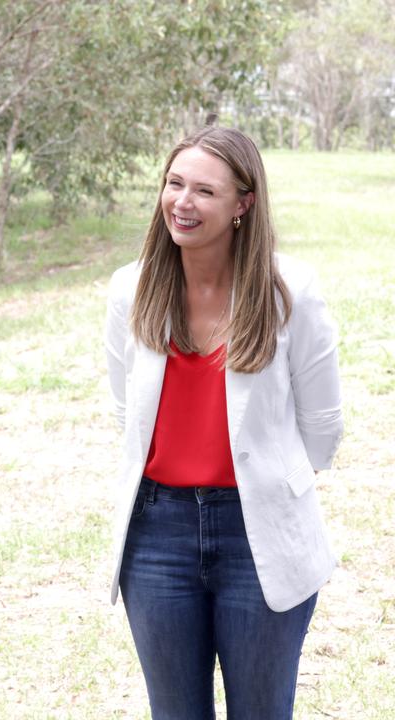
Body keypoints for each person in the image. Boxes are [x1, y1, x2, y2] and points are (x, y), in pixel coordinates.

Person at [104, 125, 343, 719]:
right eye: (173, 183)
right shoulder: (130, 290)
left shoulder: (289, 290)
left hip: (258, 530)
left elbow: (322, 428)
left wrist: (265, 476)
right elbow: (125, 411)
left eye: (204, 191)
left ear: (243, 203)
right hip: (157, 534)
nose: (182, 202)